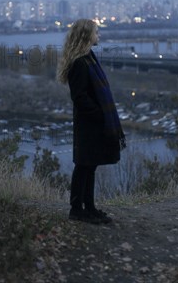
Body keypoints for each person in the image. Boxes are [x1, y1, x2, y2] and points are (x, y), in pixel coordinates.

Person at [57, 19, 126, 224]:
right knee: (84, 165)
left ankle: (90, 207)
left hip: (92, 123)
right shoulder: (80, 62)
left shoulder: (88, 57)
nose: (99, 35)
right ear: (87, 35)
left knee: (90, 165)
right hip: (89, 124)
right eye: (96, 32)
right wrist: (98, 114)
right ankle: (77, 209)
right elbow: (79, 96)